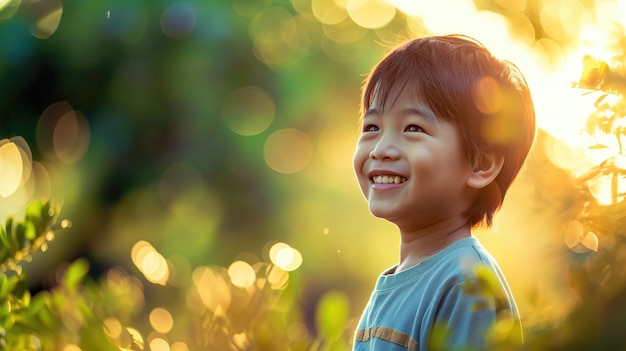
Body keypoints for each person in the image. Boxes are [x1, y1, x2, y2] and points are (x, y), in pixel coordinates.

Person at [352, 34, 536, 351]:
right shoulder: (400, 280)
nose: (381, 149)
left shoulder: (464, 283)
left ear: (480, 163)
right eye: (372, 128)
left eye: (413, 128)